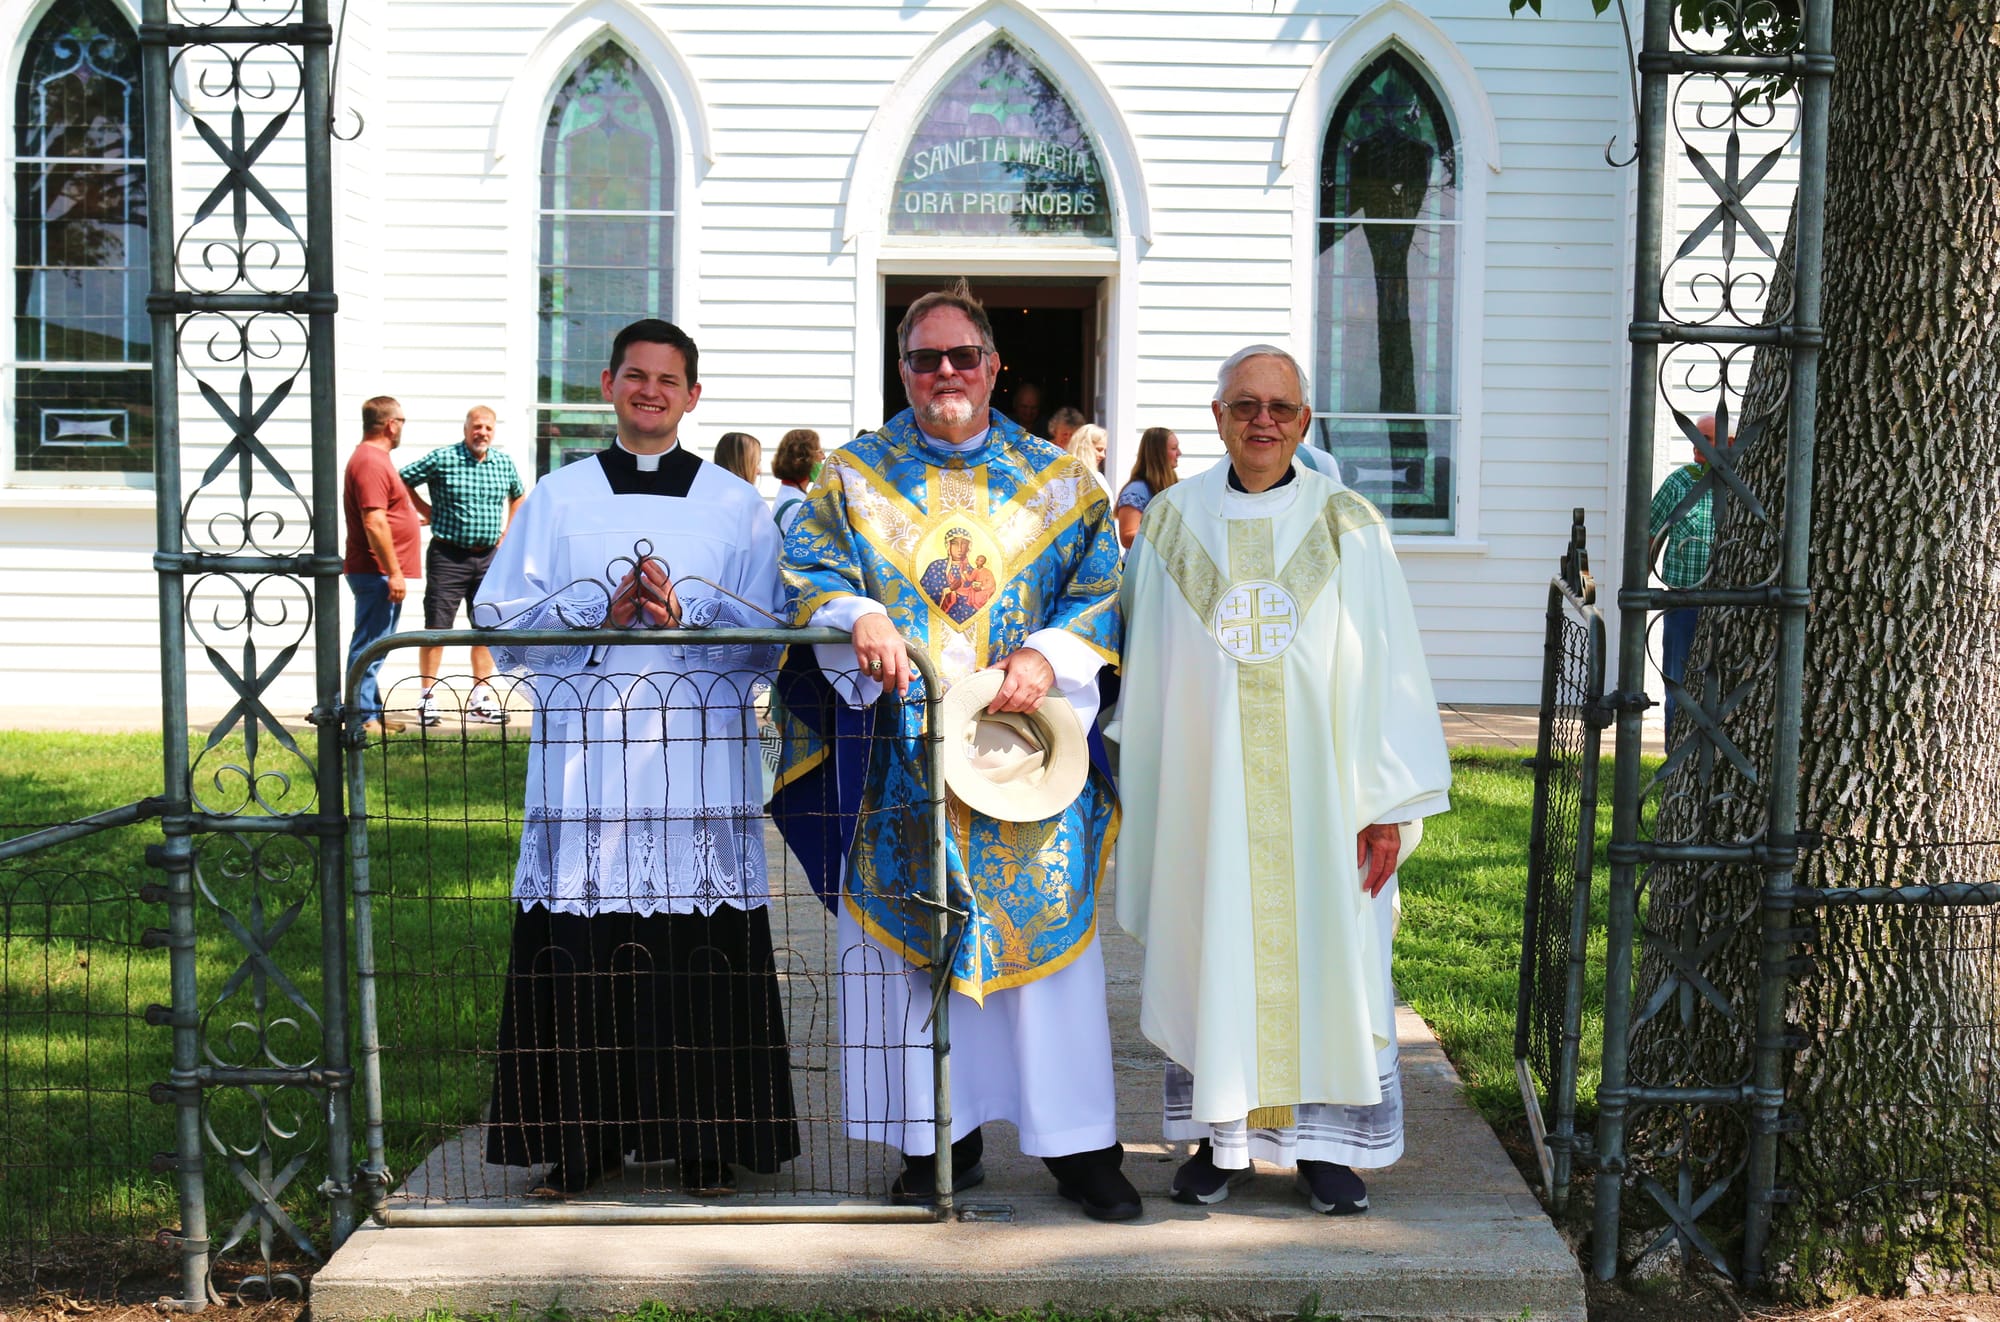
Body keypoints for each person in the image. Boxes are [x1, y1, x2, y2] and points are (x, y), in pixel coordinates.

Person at [775, 278, 1137, 1220]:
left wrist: (1043, 655)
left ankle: (1078, 1148)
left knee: (1048, 953)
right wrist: (856, 615)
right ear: (902, 368)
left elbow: (1101, 587)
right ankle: (938, 1139)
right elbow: (810, 568)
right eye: (926, 358)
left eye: (963, 357)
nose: (947, 373)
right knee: (907, 953)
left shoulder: (1058, 481)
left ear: (993, 365)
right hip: (903, 756)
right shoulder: (854, 477)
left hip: (1025, 754)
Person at [1112, 344, 1451, 1217]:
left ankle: (1326, 1150)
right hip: (1210, 798)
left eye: (1282, 408)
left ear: (1304, 422)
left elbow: (1390, 669)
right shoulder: (1173, 527)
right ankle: (1219, 1143)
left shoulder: (1350, 525)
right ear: (1217, 416)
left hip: (1327, 801)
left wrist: (1388, 804)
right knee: (1212, 944)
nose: (1263, 421)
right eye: (1244, 405)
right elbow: (1148, 675)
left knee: (1326, 959)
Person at [471, 319, 799, 1198]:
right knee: (584, 948)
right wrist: (598, 616)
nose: (651, 391)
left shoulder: (736, 503)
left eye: (669, 380)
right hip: (587, 766)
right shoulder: (557, 497)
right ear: (609, 384)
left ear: (694, 396)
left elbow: (770, 636)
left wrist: (687, 612)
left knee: (700, 949)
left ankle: (705, 1140)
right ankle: (582, 1145)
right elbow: (500, 620)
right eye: (636, 376)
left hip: (697, 768)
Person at [398, 404, 526, 727]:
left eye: (488, 428)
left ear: (493, 432)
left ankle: (480, 698)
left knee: (485, 627)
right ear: (466, 428)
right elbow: (402, 480)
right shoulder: (444, 459)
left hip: (487, 558)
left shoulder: (502, 463)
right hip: (448, 556)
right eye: (477, 426)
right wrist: (427, 510)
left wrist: (507, 532)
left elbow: (519, 495)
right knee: (437, 629)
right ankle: (427, 698)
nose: (482, 432)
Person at [342, 395, 422, 735]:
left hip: (381, 572)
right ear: (390, 424)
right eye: (401, 420)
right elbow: (374, 522)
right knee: (369, 646)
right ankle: (361, 718)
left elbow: (384, 515)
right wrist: (394, 571)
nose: (402, 426)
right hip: (377, 572)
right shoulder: (371, 462)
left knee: (375, 644)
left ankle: (370, 711)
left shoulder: (375, 459)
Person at [1648, 412, 1722, 733]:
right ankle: (1674, 761)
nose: (1696, 448)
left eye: (1704, 440)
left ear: (1730, 444)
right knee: (1678, 684)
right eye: (1694, 441)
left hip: (1729, 604)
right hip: (1683, 602)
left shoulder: (1741, 485)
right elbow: (1648, 534)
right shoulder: (1679, 483)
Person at [1115, 427, 1180, 550]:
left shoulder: (1172, 486)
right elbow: (1127, 537)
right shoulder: (1136, 491)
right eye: (1173, 448)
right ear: (1158, 453)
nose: (1179, 453)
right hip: (1141, 567)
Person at [771, 428, 822, 534]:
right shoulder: (796, 508)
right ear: (805, 460)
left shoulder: (790, 493)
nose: (823, 457)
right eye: (819, 452)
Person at [1066, 423, 1113, 499]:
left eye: (1104, 451)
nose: (1103, 455)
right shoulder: (1063, 480)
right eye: (1099, 449)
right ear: (1084, 448)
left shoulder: (1099, 478)